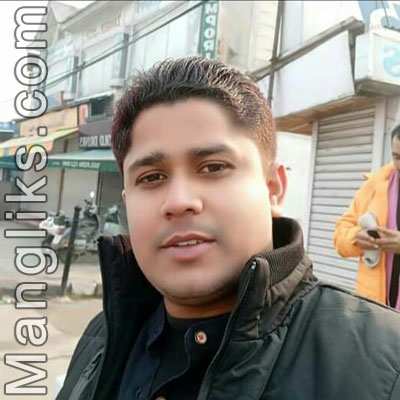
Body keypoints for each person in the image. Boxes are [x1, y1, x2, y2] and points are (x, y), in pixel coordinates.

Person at [57, 57, 400, 400]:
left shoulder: (384, 364)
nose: (179, 201)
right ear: (127, 200)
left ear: (273, 188)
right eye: (152, 177)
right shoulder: (100, 339)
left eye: (213, 167)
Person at [334, 125, 400, 308]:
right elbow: (340, 236)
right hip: (374, 312)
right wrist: (357, 238)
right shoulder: (374, 184)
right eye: (397, 157)